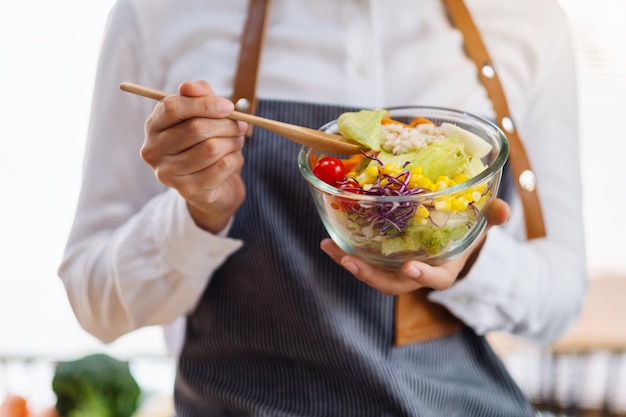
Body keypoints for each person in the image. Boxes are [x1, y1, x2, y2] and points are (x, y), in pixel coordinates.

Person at [58, 0, 587, 415]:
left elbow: (559, 302)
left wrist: (467, 256)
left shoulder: (528, 18)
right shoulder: (160, 14)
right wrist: (199, 212)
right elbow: (94, 302)